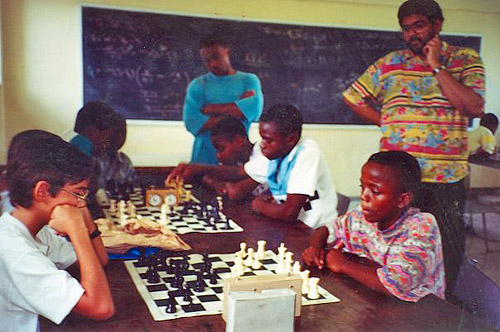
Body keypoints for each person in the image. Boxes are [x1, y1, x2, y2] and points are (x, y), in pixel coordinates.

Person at [342, 0, 485, 297]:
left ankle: (441, 311)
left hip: (445, 179)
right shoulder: (390, 62)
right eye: (406, 29)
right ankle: (391, 306)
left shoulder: (464, 59)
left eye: (418, 25)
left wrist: (436, 67)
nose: (411, 34)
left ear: (438, 24)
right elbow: (352, 97)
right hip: (400, 180)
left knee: (446, 250)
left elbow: (473, 107)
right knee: (395, 247)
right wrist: (389, 123)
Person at [0, 130, 114, 332]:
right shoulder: (13, 249)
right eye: (78, 192)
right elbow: (101, 307)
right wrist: (78, 231)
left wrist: (88, 225)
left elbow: (100, 260)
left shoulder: (37, 230)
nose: (82, 203)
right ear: (42, 191)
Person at [302, 151, 445, 302]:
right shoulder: (361, 215)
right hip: (376, 300)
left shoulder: (421, 226)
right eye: (362, 187)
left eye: (375, 191)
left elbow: (395, 283)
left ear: (402, 200)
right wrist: (315, 248)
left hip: (423, 312)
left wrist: (343, 264)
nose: (364, 196)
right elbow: (326, 229)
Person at [238, 104, 337, 228]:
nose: (262, 145)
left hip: (315, 230)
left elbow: (289, 213)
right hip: (295, 225)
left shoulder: (308, 153)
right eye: (262, 139)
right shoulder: (278, 152)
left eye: (268, 140)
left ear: (291, 139)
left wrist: (259, 205)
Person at [183, 33, 264, 165]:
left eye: (216, 57)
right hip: (202, 160)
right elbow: (191, 122)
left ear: (227, 51)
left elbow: (254, 111)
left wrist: (210, 109)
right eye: (207, 60)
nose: (213, 64)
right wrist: (235, 112)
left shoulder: (248, 80)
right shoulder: (197, 85)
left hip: (236, 161)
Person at [166, 116, 258, 194]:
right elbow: (221, 178)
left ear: (239, 141)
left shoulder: (261, 156)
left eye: (221, 149)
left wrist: (199, 169)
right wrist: (213, 181)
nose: (218, 155)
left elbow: (234, 188)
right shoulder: (240, 162)